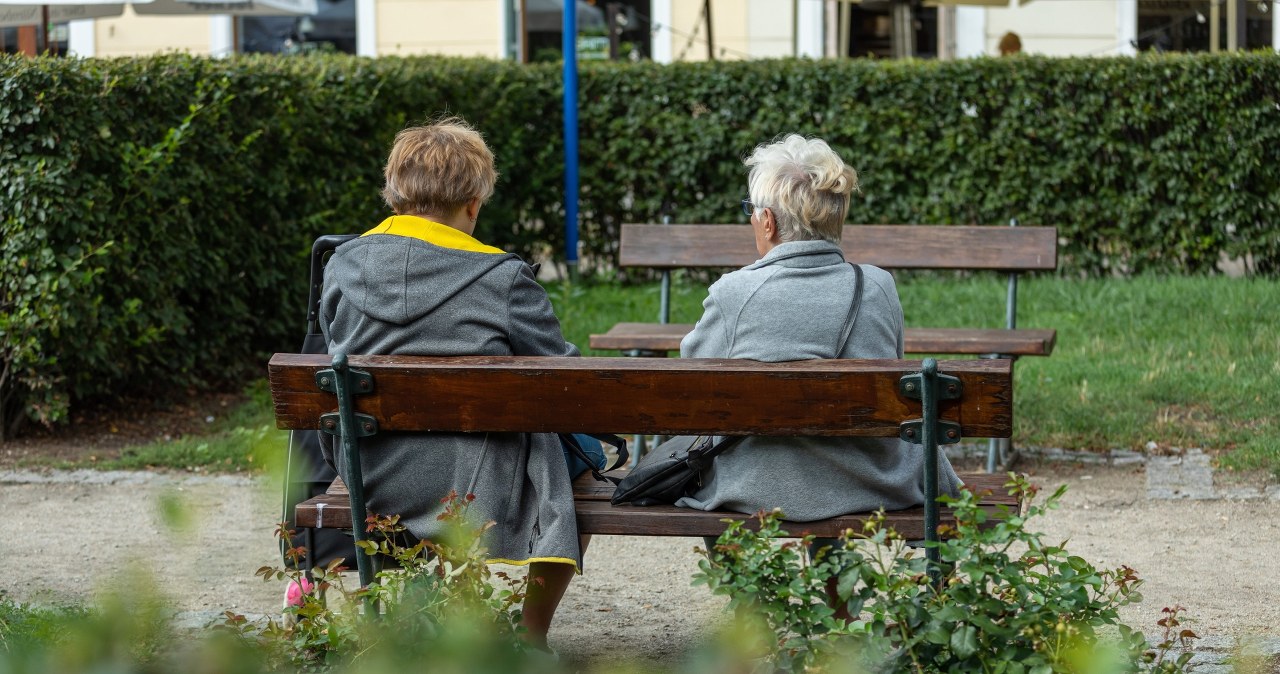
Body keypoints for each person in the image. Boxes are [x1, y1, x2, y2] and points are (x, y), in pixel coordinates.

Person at [318, 117, 582, 649]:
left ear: (394, 195)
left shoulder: (342, 266)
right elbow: (561, 377)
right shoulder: (502, 278)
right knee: (573, 452)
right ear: (474, 204)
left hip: (370, 467)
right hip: (476, 481)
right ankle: (530, 640)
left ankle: (420, 614)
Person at [673, 134, 964, 525]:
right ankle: (830, 567)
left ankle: (737, 569)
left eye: (751, 211)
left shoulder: (733, 293)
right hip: (872, 483)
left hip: (759, 486)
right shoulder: (878, 287)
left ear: (767, 221)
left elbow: (694, 386)